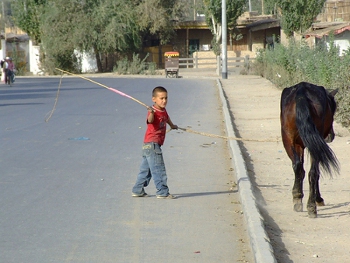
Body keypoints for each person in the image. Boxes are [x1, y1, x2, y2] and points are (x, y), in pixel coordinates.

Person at [132, 86, 178, 199]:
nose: (164, 101)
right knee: (158, 169)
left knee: (146, 170)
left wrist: (172, 126)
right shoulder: (153, 111)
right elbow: (150, 120)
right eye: (161, 98)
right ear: (154, 99)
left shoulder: (163, 110)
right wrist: (151, 112)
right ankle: (162, 192)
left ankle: (138, 190)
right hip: (152, 145)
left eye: (166, 98)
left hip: (149, 145)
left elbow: (166, 118)